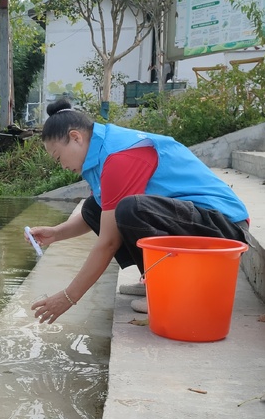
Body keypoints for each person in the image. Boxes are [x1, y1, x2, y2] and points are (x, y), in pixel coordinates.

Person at [27, 99, 249, 322]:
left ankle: (172, 291)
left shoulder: (118, 157)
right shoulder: (104, 148)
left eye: (58, 157)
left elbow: (109, 242)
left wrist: (68, 297)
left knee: (130, 209)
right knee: (95, 207)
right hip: (199, 223)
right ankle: (157, 281)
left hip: (222, 227)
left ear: (76, 137)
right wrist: (56, 233)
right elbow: (100, 211)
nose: (62, 166)